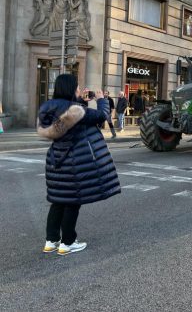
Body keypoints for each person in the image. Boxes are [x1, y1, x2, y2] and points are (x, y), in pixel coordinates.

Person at [37, 74, 121, 255]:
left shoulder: (49, 108)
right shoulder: (75, 110)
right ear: (70, 89)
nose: (79, 90)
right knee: (72, 203)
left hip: (55, 161)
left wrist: (80, 101)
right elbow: (102, 116)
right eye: (76, 87)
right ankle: (68, 242)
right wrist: (101, 100)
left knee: (57, 201)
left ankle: (51, 241)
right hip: (74, 163)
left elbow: (73, 119)